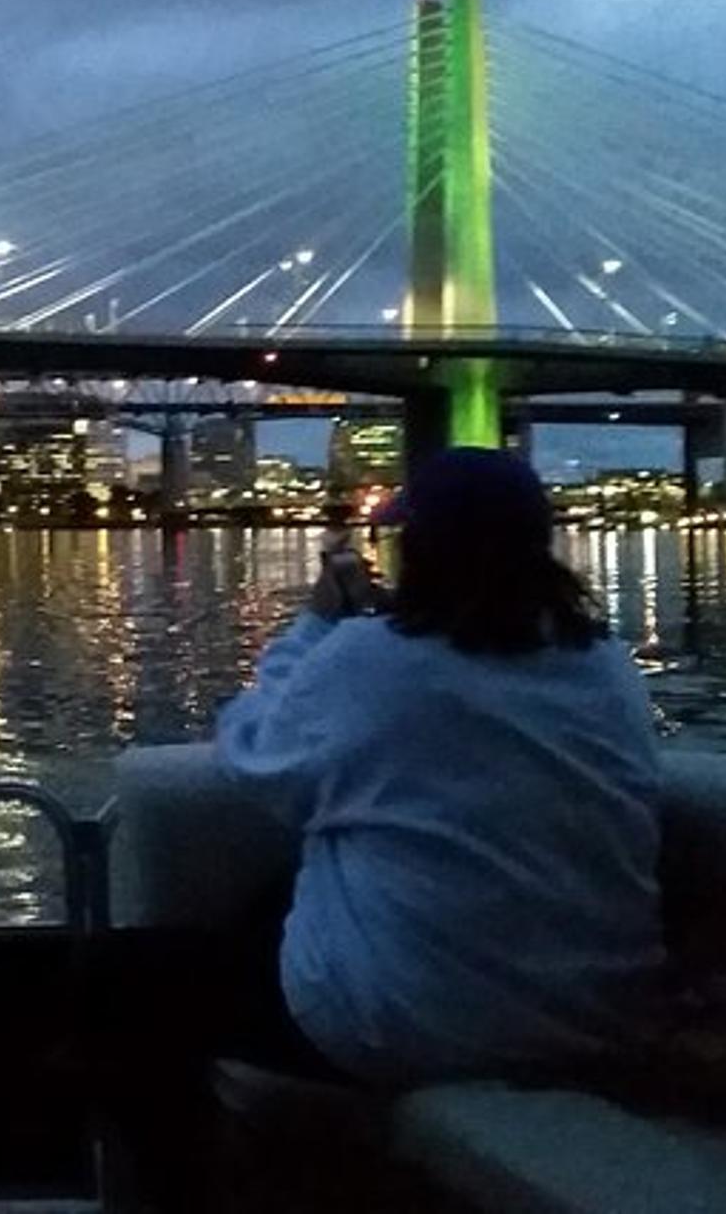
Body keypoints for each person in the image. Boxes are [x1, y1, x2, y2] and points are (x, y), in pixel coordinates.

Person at [215, 446, 665, 1086]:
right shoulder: (607, 664)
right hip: (594, 1018)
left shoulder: (369, 658)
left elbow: (252, 757)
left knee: (152, 983)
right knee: (275, 902)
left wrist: (315, 627)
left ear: (421, 549)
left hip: (411, 1028)